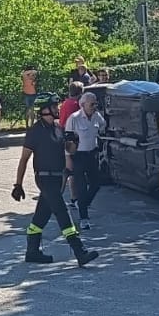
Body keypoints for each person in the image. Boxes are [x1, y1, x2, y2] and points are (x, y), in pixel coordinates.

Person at [13, 96, 98, 266]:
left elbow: (69, 150)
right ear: (44, 109)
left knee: (40, 218)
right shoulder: (35, 132)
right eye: (53, 106)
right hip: (44, 178)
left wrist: (73, 141)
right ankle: (80, 252)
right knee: (62, 212)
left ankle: (32, 251)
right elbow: (24, 159)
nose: (57, 109)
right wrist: (18, 184)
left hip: (58, 178)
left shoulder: (58, 128)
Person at [64, 92, 106, 230]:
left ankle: (83, 203)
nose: (94, 106)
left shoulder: (96, 116)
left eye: (95, 104)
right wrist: (68, 158)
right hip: (79, 156)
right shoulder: (74, 118)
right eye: (91, 104)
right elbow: (68, 140)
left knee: (96, 184)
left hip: (92, 154)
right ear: (83, 105)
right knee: (81, 187)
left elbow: (102, 127)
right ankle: (84, 218)